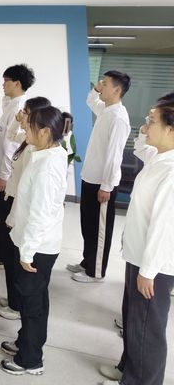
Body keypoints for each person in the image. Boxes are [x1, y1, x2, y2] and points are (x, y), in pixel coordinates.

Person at [99, 92, 174, 385]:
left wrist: (148, 271)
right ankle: (127, 370)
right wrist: (147, 127)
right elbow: (142, 146)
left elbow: (164, 227)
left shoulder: (171, 171)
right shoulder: (159, 157)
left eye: (152, 121)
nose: (145, 126)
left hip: (152, 265)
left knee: (146, 328)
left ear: (171, 129)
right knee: (133, 319)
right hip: (138, 255)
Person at [0, 107, 70, 376]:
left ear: (45, 132)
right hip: (33, 240)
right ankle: (26, 341)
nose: (25, 130)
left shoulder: (47, 167)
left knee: (32, 303)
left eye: (29, 127)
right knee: (34, 299)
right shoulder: (46, 154)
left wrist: (27, 252)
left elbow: (40, 214)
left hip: (37, 246)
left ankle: (30, 360)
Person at [67, 70, 131, 283]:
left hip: (102, 184)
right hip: (90, 178)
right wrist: (96, 88)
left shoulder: (118, 118)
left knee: (100, 230)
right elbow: (91, 100)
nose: (101, 86)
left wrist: (106, 186)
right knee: (88, 225)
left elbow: (114, 156)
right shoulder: (106, 110)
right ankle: (88, 262)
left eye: (105, 84)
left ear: (117, 90)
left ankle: (96, 272)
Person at [0, 96, 52, 321]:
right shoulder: (28, 141)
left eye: (26, 113)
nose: (22, 116)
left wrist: (12, 217)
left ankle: (16, 304)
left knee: (15, 259)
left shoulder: (35, 149)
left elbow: (26, 191)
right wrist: (18, 120)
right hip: (13, 199)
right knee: (10, 257)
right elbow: (11, 135)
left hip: (18, 205)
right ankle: (13, 299)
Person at [0, 64, 36, 270]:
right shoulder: (13, 104)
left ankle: (1, 257)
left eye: (6, 81)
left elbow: (11, 146)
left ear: (17, 83)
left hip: (4, 175)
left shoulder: (18, 107)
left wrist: (4, 175)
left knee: (2, 216)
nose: (3, 85)